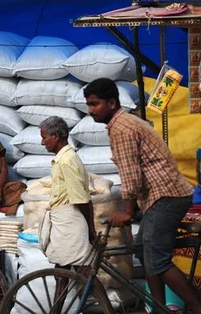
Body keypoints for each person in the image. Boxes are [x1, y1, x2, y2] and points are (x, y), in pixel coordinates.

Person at [84, 78, 201, 313]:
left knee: (157, 259)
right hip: (160, 196)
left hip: (166, 195)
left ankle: (198, 306)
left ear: (112, 102)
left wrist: (127, 211)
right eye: (88, 104)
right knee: (142, 249)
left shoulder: (122, 129)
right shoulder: (123, 123)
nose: (90, 110)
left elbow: (131, 174)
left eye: (95, 104)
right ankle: (158, 308)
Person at [38, 116, 102, 312]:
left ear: (56, 136)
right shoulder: (63, 159)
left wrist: (90, 231)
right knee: (62, 275)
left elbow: (82, 199)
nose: (42, 142)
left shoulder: (67, 161)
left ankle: (108, 307)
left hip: (70, 223)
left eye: (44, 137)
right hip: (63, 222)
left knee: (83, 270)